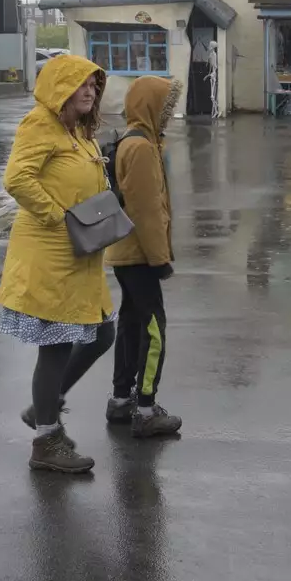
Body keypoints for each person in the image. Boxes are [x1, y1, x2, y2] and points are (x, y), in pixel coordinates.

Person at [0, 54, 117, 474]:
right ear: (59, 89)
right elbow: (17, 178)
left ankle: (44, 410)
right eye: (81, 85)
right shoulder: (40, 124)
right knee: (56, 348)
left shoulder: (77, 131)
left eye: (93, 85)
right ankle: (46, 440)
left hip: (80, 255)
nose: (89, 91)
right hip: (51, 255)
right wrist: (58, 216)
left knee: (103, 333)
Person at [106, 76, 184, 438]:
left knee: (132, 323)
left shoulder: (138, 140)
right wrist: (160, 258)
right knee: (154, 329)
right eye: (166, 107)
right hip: (140, 255)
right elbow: (146, 210)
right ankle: (146, 408)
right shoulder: (139, 148)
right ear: (151, 108)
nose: (169, 114)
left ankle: (122, 399)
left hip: (129, 253)